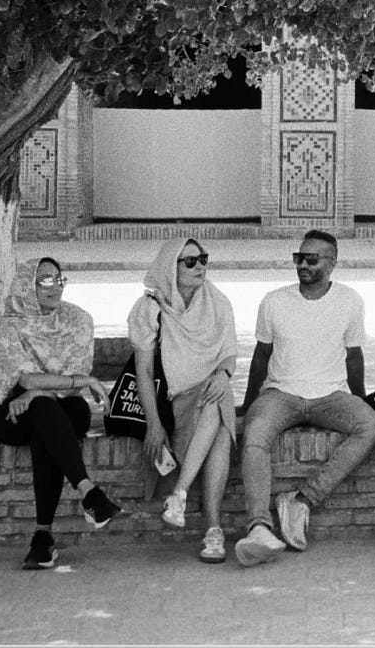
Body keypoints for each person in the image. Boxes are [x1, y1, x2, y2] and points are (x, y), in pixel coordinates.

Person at [234, 230, 375, 567]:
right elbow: (261, 356)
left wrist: (359, 399)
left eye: (312, 259)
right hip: (280, 392)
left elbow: (354, 356)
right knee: (255, 435)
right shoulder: (274, 301)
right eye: (298, 258)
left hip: (330, 394)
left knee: (371, 425)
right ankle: (258, 527)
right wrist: (247, 404)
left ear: (332, 263)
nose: (303, 264)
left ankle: (302, 500)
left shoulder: (350, 300)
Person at [0, 258, 120, 570]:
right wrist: (61, 387)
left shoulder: (76, 319)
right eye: (46, 281)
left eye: (60, 279)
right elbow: (25, 381)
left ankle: (43, 538)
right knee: (45, 417)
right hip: (15, 414)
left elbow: (56, 378)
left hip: (65, 407)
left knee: (47, 418)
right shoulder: (8, 326)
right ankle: (88, 493)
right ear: (27, 286)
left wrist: (39, 392)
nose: (56, 287)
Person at [129, 238, 238, 564]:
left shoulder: (218, 302)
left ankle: (180, 495)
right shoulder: (149, 309)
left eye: (203, 259)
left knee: (218, 397)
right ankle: (213, 530)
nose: (200, 267)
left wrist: (223, 374)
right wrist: (153, 424)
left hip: (211, 394)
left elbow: (229, 354)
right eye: (189, 261)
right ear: (170, 267)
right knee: (219, 421)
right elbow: (144, 374)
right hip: (174, 401)